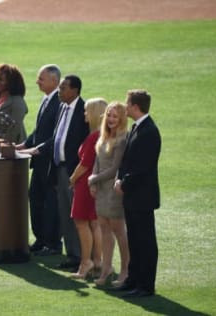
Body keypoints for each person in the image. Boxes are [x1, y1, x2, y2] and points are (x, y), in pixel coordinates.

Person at [31, 75, 90, 271]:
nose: (60, 91)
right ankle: (73, 255)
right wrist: (35, 149)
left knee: (77, 217)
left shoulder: (83, 111)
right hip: (59, 168)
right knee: (65, 214)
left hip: (74, 171)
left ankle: (82, 257)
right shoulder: (62, 107)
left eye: (63, 87)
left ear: (75, 90)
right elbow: (56, 138)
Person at [114, 89, 161, 298]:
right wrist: (119, 178)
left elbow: (142, 167)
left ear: (135, 106)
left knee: (145, 241)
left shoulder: (149, 131)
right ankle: (133, 279)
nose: (125, 106)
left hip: (142, 197)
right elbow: (126, 160)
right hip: (132, 195)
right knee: (134, 239)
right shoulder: (137, 128)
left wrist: (123, 183)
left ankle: (146, 285)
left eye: (127, 103)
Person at [15, 64, 62, 256]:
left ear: (54, 81)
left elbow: (56, 135)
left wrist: (35, 149)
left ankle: (52, 243)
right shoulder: (46, 99)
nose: (37, 82)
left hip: (50, 163)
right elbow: (39, 131)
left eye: (41, 79)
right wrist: (23, 145)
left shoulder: (59, 102)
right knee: (35, 198)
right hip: (39, 161)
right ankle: (41, 239)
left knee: (51, 204)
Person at [88, 101, 130, 286]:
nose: (111, 119)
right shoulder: (103, 136)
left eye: (115, 116)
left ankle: (125, 272)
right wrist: (94, 181)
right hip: (101, 189)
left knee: (119, 232)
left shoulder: (122, 139)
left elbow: (114, 169)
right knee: (104, 229)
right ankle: (106, 270)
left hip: (114, 190)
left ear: (122, 119)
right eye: (109, 115)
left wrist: (93, 179)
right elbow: (98, 160)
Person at [69, 98, 106, 279]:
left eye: (86, 111)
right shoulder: (104, 134)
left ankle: (86, 262)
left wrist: (72, 178)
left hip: (85, 184)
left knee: (81, 223)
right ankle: (98, 261)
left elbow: (84, 164)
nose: (84, 114)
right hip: (96, 184)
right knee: (94, 223)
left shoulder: (93, 136)